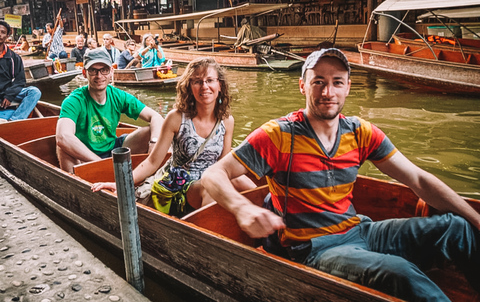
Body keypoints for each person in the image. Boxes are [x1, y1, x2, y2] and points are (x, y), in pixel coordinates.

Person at [201, 48, 480, 301]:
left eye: (336, 82)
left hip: (361, 230)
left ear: (348, 87)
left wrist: (477, 220)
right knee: (400, 272)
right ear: (302, 86)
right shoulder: (279, 135)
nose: (327, 92)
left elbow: (418, 180)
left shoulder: (360, 132)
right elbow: (214, 174)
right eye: (318, 82)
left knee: (458, 228)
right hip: (315, 248)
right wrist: (242, 209)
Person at [92, 57, 256, 215]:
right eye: (197, 81)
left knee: (246, 183)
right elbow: (152, 161)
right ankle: (204, 235)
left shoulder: (227, 121)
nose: (204, 86)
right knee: (210, 188)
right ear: (190, 87)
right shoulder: (176, 118)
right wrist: (121, 185)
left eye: (210, 80)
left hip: (211, 178)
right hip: (180, 184)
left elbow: (224, 164)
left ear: (219, 85)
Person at [56, 48, 164, 173]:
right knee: (62, 146)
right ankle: (75, 185)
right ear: (84, 73)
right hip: (83, 156)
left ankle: (149, 174)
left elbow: (156, 117)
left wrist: (154, 143)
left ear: (111, 71)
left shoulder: (119, 96)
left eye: (104, 70)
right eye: (93, 71)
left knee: (152, 131)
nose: (99, 76)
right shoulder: (74, 100)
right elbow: (63, 137)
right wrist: (100, 163)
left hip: (113, 149)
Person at [0, 21, 41, 122]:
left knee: (34, 92)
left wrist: (9, 96)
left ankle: (15, 121)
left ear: (7, 35)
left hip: (7, 90)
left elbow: (20, 80)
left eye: (3, 32)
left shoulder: (14, 57)